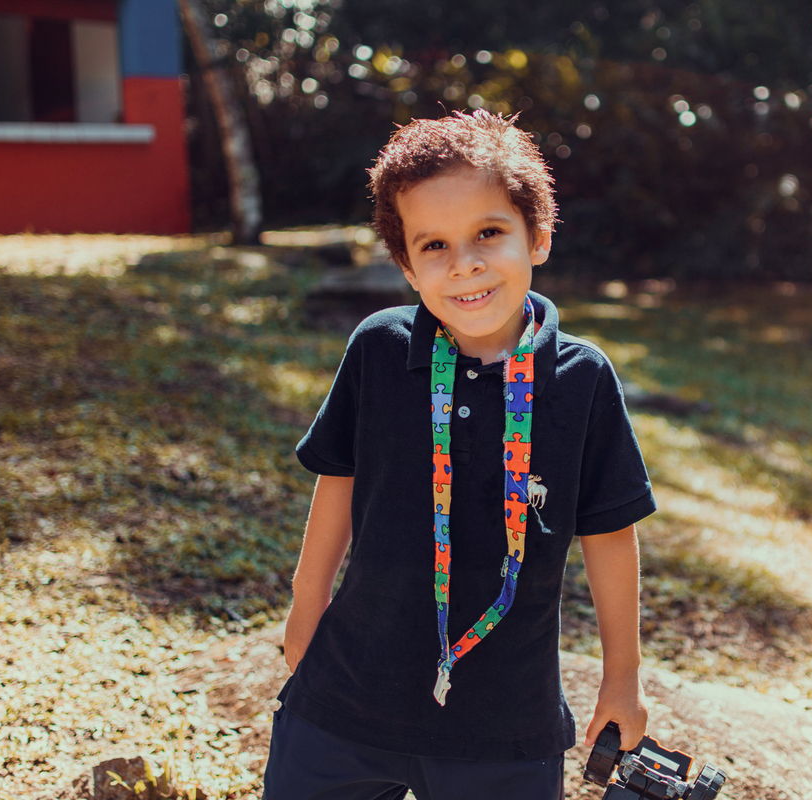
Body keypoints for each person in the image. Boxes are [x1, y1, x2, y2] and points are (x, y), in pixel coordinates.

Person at [261, 108, 657, 800]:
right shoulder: (379, 349)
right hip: (345, 703)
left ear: (537, 238)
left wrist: (622, 678)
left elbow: (609, 534)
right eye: (434, 245)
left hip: (504, 729)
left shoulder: (582, 380)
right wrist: (306, 605)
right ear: (408, 268)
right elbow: (339, 480)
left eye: (489, 233)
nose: (465, 263)